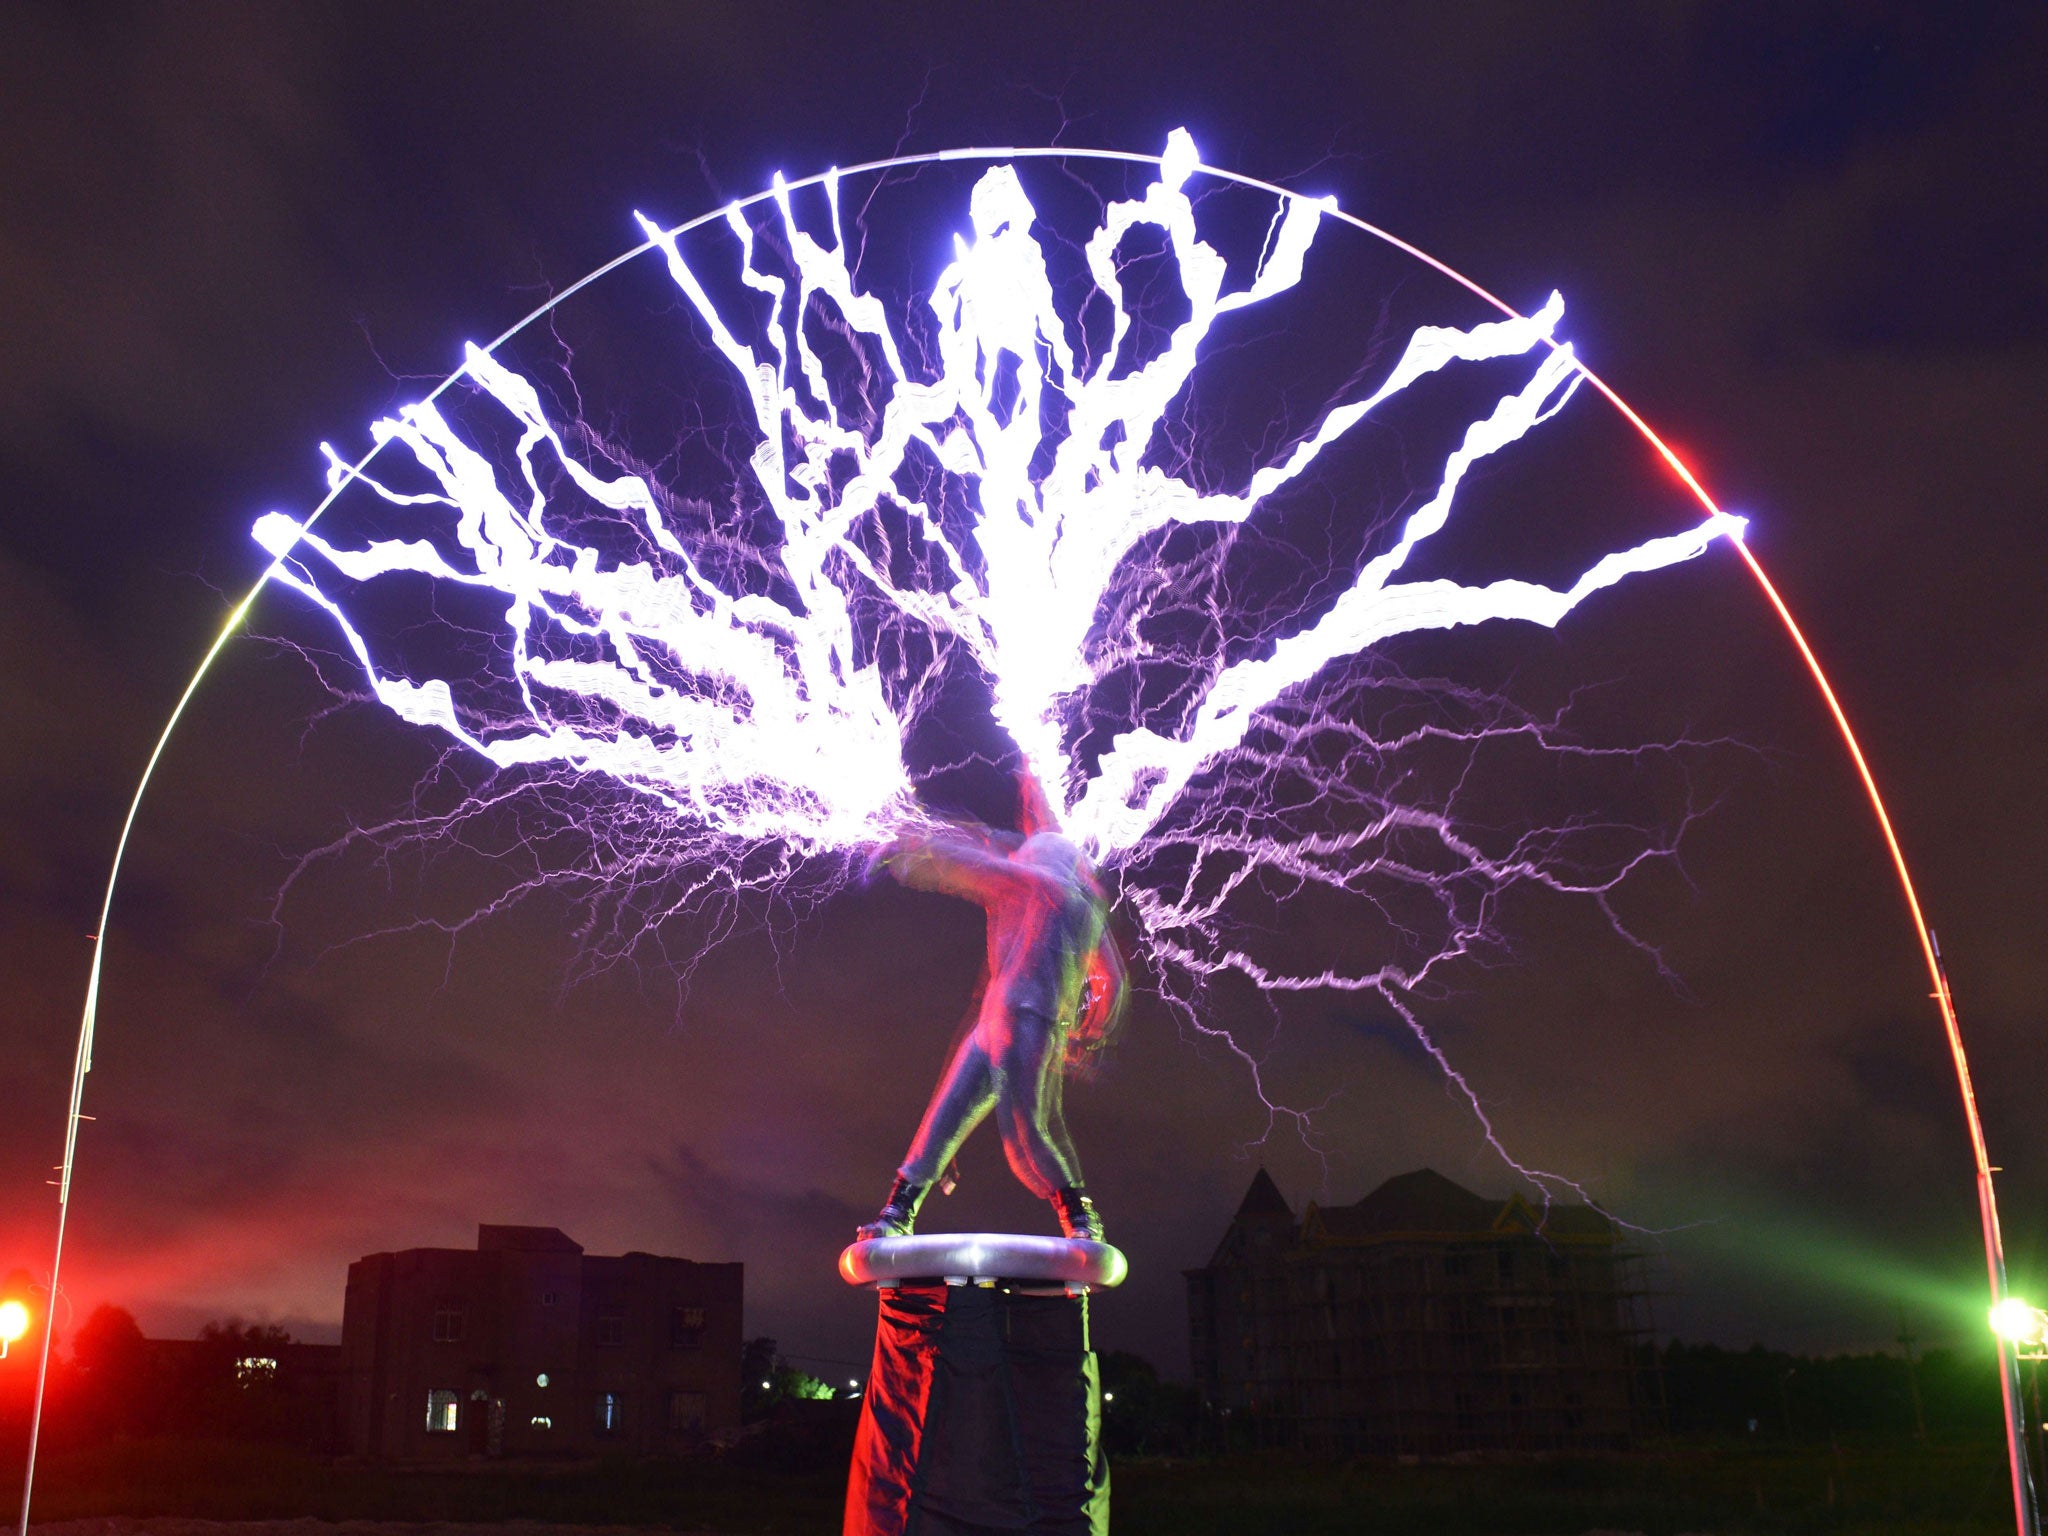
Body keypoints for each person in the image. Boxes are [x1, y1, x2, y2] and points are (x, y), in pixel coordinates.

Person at [856, 775, 1128, 1244]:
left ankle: (1082, 1220)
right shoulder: (1084, 909)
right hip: (1009, 1022)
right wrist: (1090, 1030)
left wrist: (907, 850)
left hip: (1024, 1022)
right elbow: (1114, 980)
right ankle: (897, 1214)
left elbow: (968, 864)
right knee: (945, 1120)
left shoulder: (1033, 882)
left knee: (1026, 1137)